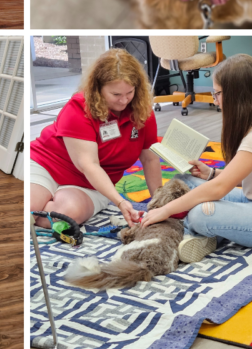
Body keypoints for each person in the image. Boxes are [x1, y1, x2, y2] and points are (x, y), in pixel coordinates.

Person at [138, 55, 252, 263]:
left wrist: (165, 210)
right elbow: (244, 177)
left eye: (217, 93)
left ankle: (198, 233)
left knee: (199, 214)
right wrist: (211, 173)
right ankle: (208, 232)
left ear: (236, 95)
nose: (215, 100)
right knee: (185, 182)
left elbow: (220, 189)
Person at [30, 48, 162, 230]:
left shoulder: (142, 112)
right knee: (28, 209)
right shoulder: (78, 108)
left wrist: (159, 204)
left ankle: (43, 205)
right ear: (97, 89)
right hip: (48, 165)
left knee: (63, 218)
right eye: (116, 94)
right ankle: (40, 202)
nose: (124, 100)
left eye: (130, 92)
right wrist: (120, 201)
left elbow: (150, 159)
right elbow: (88, 164)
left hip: (93, 184)